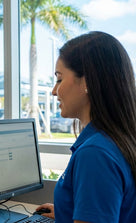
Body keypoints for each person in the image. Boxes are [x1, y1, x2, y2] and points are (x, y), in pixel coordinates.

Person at [35, 31, 136, 222]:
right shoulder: (116, 139)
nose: (54, 91)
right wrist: (71, 209)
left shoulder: (95, 154)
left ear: (87, 82)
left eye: (59, 79)